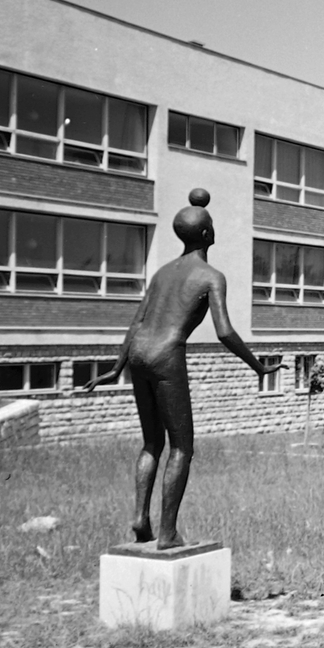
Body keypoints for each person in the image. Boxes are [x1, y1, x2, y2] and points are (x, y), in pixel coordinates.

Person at [83, 189, 281, 549]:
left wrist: (117, 367)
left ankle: (141, 518)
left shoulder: (161, 273)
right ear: (207, 235)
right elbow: (224, 331)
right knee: (182, 448)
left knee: (151, 443)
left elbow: (137, 321)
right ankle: (168, 533)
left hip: (140, 352)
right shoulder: (210, 276)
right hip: (166, 356)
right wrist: (258, 366)